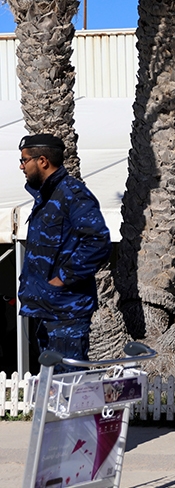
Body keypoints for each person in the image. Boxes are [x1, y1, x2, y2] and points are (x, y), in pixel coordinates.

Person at [17, 134, 111, 374]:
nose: (21, 166)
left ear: (43, 161)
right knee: (52, 388)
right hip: (47, 308)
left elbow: (98, 240)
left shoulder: (73, 194)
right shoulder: (47, 196)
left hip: (67, 310)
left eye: (24, 160)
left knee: (69, 387)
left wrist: (62, 278)